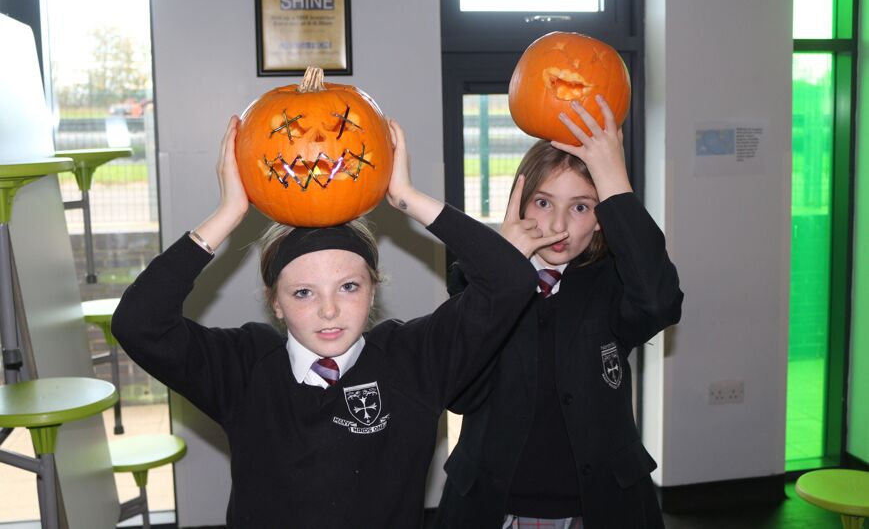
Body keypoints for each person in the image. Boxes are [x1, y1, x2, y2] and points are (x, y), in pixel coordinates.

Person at [111, 116, 546, 528]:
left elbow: (509, 280)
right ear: (275, 303)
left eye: (348, 287)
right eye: (303, 293)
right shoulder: (244, 369)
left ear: (373, 290)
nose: (329, 310)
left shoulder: (414, 361)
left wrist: (407, 197)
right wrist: (228, 214)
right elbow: (138, 322)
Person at [434, 96, 684, 529]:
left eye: (581, 207)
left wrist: (614, 181)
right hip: (493, 505)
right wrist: (500, 274)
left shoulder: (613, 285)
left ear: (601, 218)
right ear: (519, 204)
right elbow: (461, 394)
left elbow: (660, 302)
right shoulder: (476, 285)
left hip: (602, 505)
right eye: (544, 203)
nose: (557, 226)